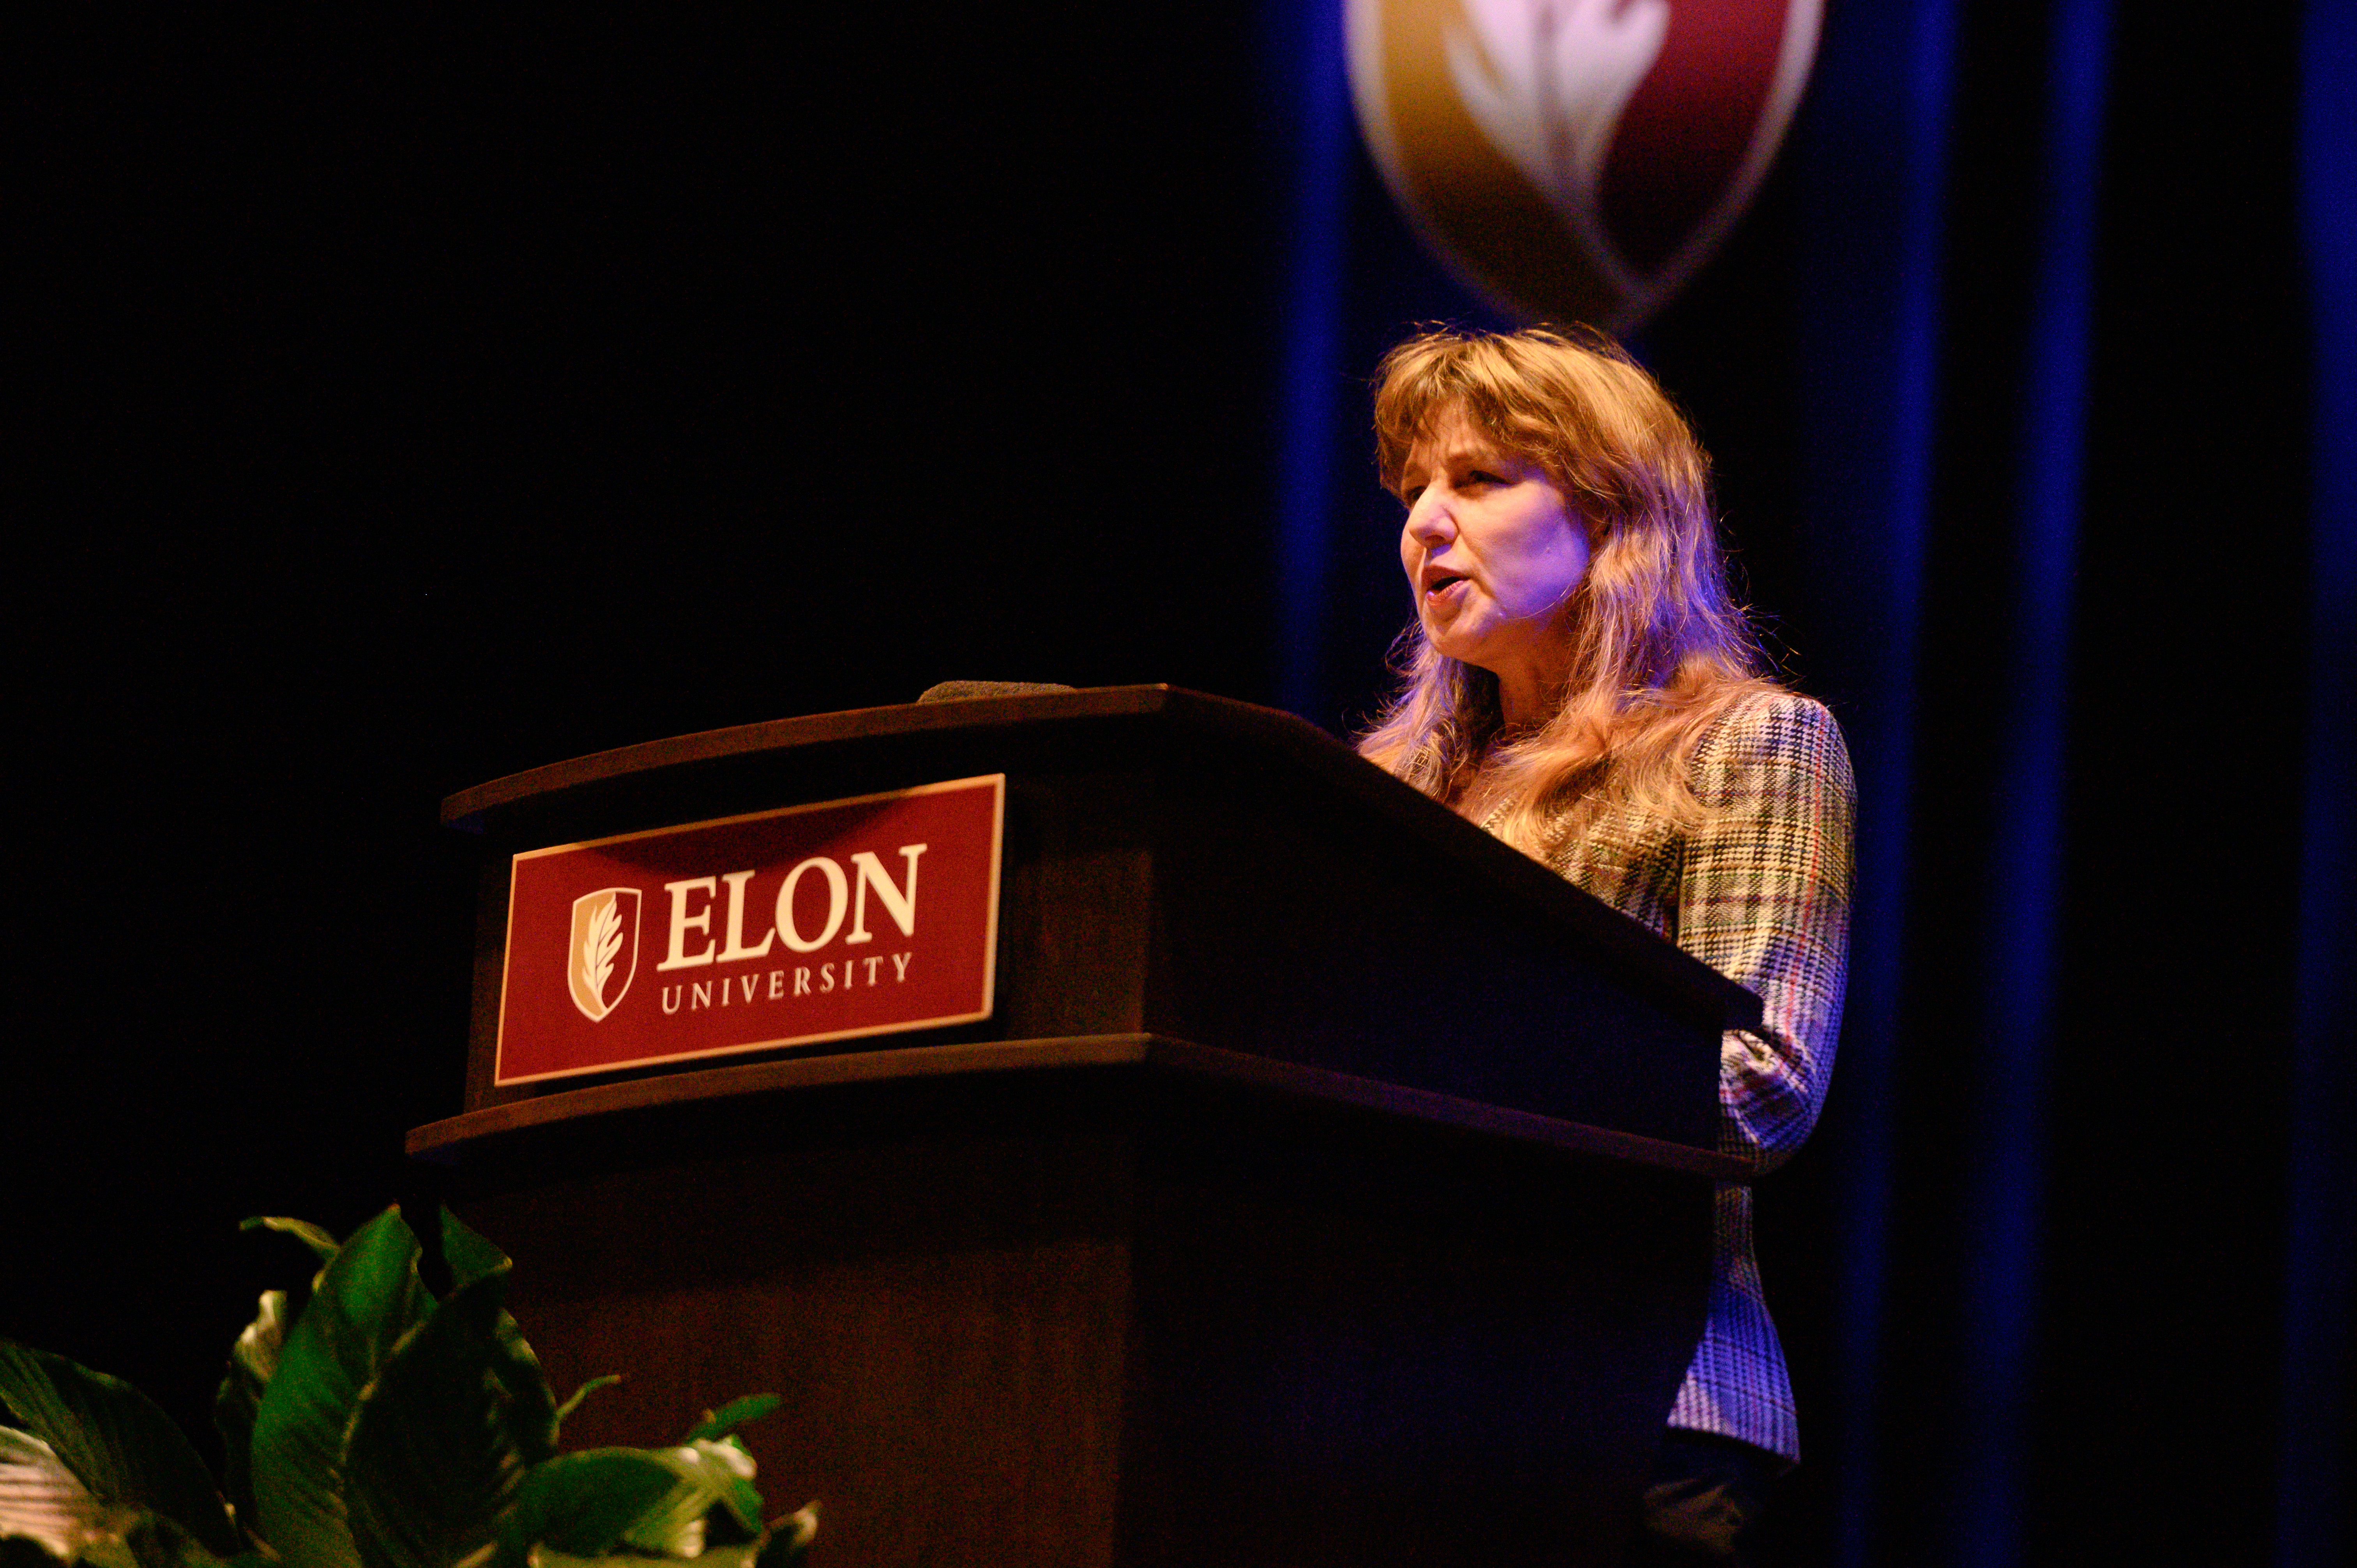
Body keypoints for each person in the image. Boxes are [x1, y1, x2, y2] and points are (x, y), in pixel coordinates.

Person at [1356, 326, 1854, 1566]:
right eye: (1415, 486)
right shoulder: (1375, 797)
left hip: (1640, 1417)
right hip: (1380, 1410)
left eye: (1477, 480)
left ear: (1614, 513)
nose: (1425, 520)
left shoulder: (1752, 745)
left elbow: (1757, 1094)